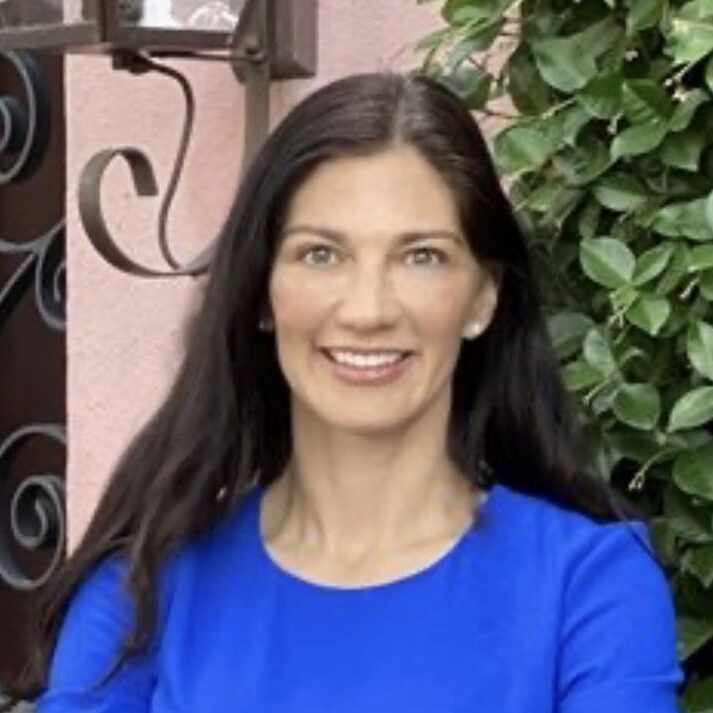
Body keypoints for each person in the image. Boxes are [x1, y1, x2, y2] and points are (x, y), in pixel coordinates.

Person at [15, 72, 683, 712]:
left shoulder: (590, 586)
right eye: (321, 254)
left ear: (482, 296)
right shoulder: (140, 591)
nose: (367, 309)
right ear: (262, 292)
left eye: (420, 255)